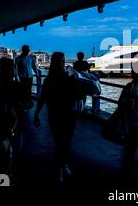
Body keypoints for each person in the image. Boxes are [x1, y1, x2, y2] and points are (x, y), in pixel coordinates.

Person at [33, 52, 81, 183]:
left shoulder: (70, 77)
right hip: (55, 115)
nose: (62, 63)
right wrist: (36, 114)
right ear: (54, 63)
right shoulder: (50, 80)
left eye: (63, 60)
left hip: (69, 114)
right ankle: (60, 167)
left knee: (67, 141)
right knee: (59, 141)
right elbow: (42, 98)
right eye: (60, 61)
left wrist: (75, 80)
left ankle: (63, 163)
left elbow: (77, 94)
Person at [14, 45, 38, 109]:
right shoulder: (18, 58)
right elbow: (16, 69)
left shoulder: (31, 58)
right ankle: (23, 103)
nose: (28, 51)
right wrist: (17, 78)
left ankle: (28, 102)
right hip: (22, 77)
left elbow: (34, 66)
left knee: (29, 90)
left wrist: (37, 73)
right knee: (23, 91)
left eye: (28, 50)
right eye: (26, 50)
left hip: (30, 77)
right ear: (23, 50)